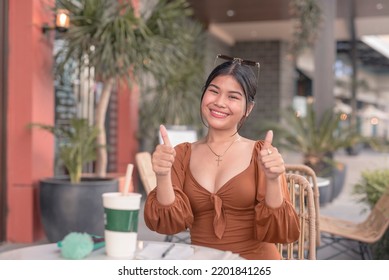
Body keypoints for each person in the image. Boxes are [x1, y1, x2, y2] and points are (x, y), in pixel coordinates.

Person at [143, 55, 300, 260]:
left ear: (248, 109)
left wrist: (272, 180)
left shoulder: (261, 153)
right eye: (213, 91)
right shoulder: (181, 154)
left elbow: (281, 232)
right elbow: (168, 225)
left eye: (233, 97)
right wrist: (162, 175)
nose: (219, 102)